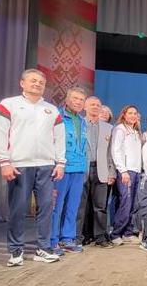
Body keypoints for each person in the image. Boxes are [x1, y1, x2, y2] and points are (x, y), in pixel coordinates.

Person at [0, 69, 64, 266]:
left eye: (41, 82)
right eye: (33, 80)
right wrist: (4, 162)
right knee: (18, 210)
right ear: (22, 83)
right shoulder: (9, 104)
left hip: (46, 166)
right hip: (20, 165)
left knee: (46, 209)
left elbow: (59, 139)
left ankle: (43, 248)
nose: (37, 84)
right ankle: (16, 250)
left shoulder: (51, 110)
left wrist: (60, 163)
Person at [51, 87, 88, 254]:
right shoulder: (57, 116)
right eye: (75, 98)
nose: (78, 102)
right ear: (67, 99)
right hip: (61, 168)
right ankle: (52, 240)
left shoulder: (82, 120)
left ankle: (67, 238)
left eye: (81, 99)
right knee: (56, 206)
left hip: (78, 168)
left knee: (72, 206)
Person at [76, 96, 116, 248]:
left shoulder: (108, 128)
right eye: (92, 104)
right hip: (81, 169)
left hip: (102, 170)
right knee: (81, 206)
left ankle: (100, 237)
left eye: (98, 105)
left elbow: (111, 153)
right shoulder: (78, 123)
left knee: (100, 207)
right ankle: (79, 237)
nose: (95, 107)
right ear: (85, 107)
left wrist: (112, 172)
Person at [110, 105, 143, 245]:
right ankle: (115, 234)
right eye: (130, 113)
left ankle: (127, 233)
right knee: (125, 202)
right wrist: (123, 170)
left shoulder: (136, 132)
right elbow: (116, 150)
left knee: (133, 204)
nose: (133, 115)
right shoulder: (120, 129)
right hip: (126, 171)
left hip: (136, 171)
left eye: (135, 113)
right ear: (124, 114)